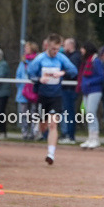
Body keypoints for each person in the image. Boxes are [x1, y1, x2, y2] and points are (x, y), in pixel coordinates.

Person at [28, 34, 78, 165]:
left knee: (53, 124)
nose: (55, 51)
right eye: (53, 49)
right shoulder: (40, 59)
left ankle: (50, 154)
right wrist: (39, 79)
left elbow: (74, 71)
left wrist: (63, 73)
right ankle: (39, 127)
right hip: (42, 96)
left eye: (57, 49)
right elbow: (30, 74)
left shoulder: (61, 58)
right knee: (43, 126)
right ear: (47, 46)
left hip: (56, 95)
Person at [77, 42, 104, 149]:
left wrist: (90, 82)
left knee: (91, 113)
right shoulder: (87, 61)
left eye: (83, 48)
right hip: (87, 91)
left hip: (94, 90)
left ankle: (95, 138)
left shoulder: (96, 61)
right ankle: (90, 137)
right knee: (88, 114)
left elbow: (102, 76)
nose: (81, 51)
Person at [59, 37, 82, 144]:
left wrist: (62, 72)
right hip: (65, 88)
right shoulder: (68, 56)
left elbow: (72, 72)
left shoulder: (75, 57)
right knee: (66, 112)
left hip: (70, 89)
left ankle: (70, 135)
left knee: (69, 112)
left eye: (65, 45)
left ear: (71, 45)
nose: (63, 47)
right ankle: (66, 134)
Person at [15, 41, 39, 140]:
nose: (25, 49)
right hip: (23, 91)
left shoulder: (38, 60)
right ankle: (24, 132)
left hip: (34, 90)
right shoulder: (23, 61)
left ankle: (33, 133)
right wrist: (20, 86)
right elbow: (18, 75)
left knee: (34, 112)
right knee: (23, 113)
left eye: (27, 47)